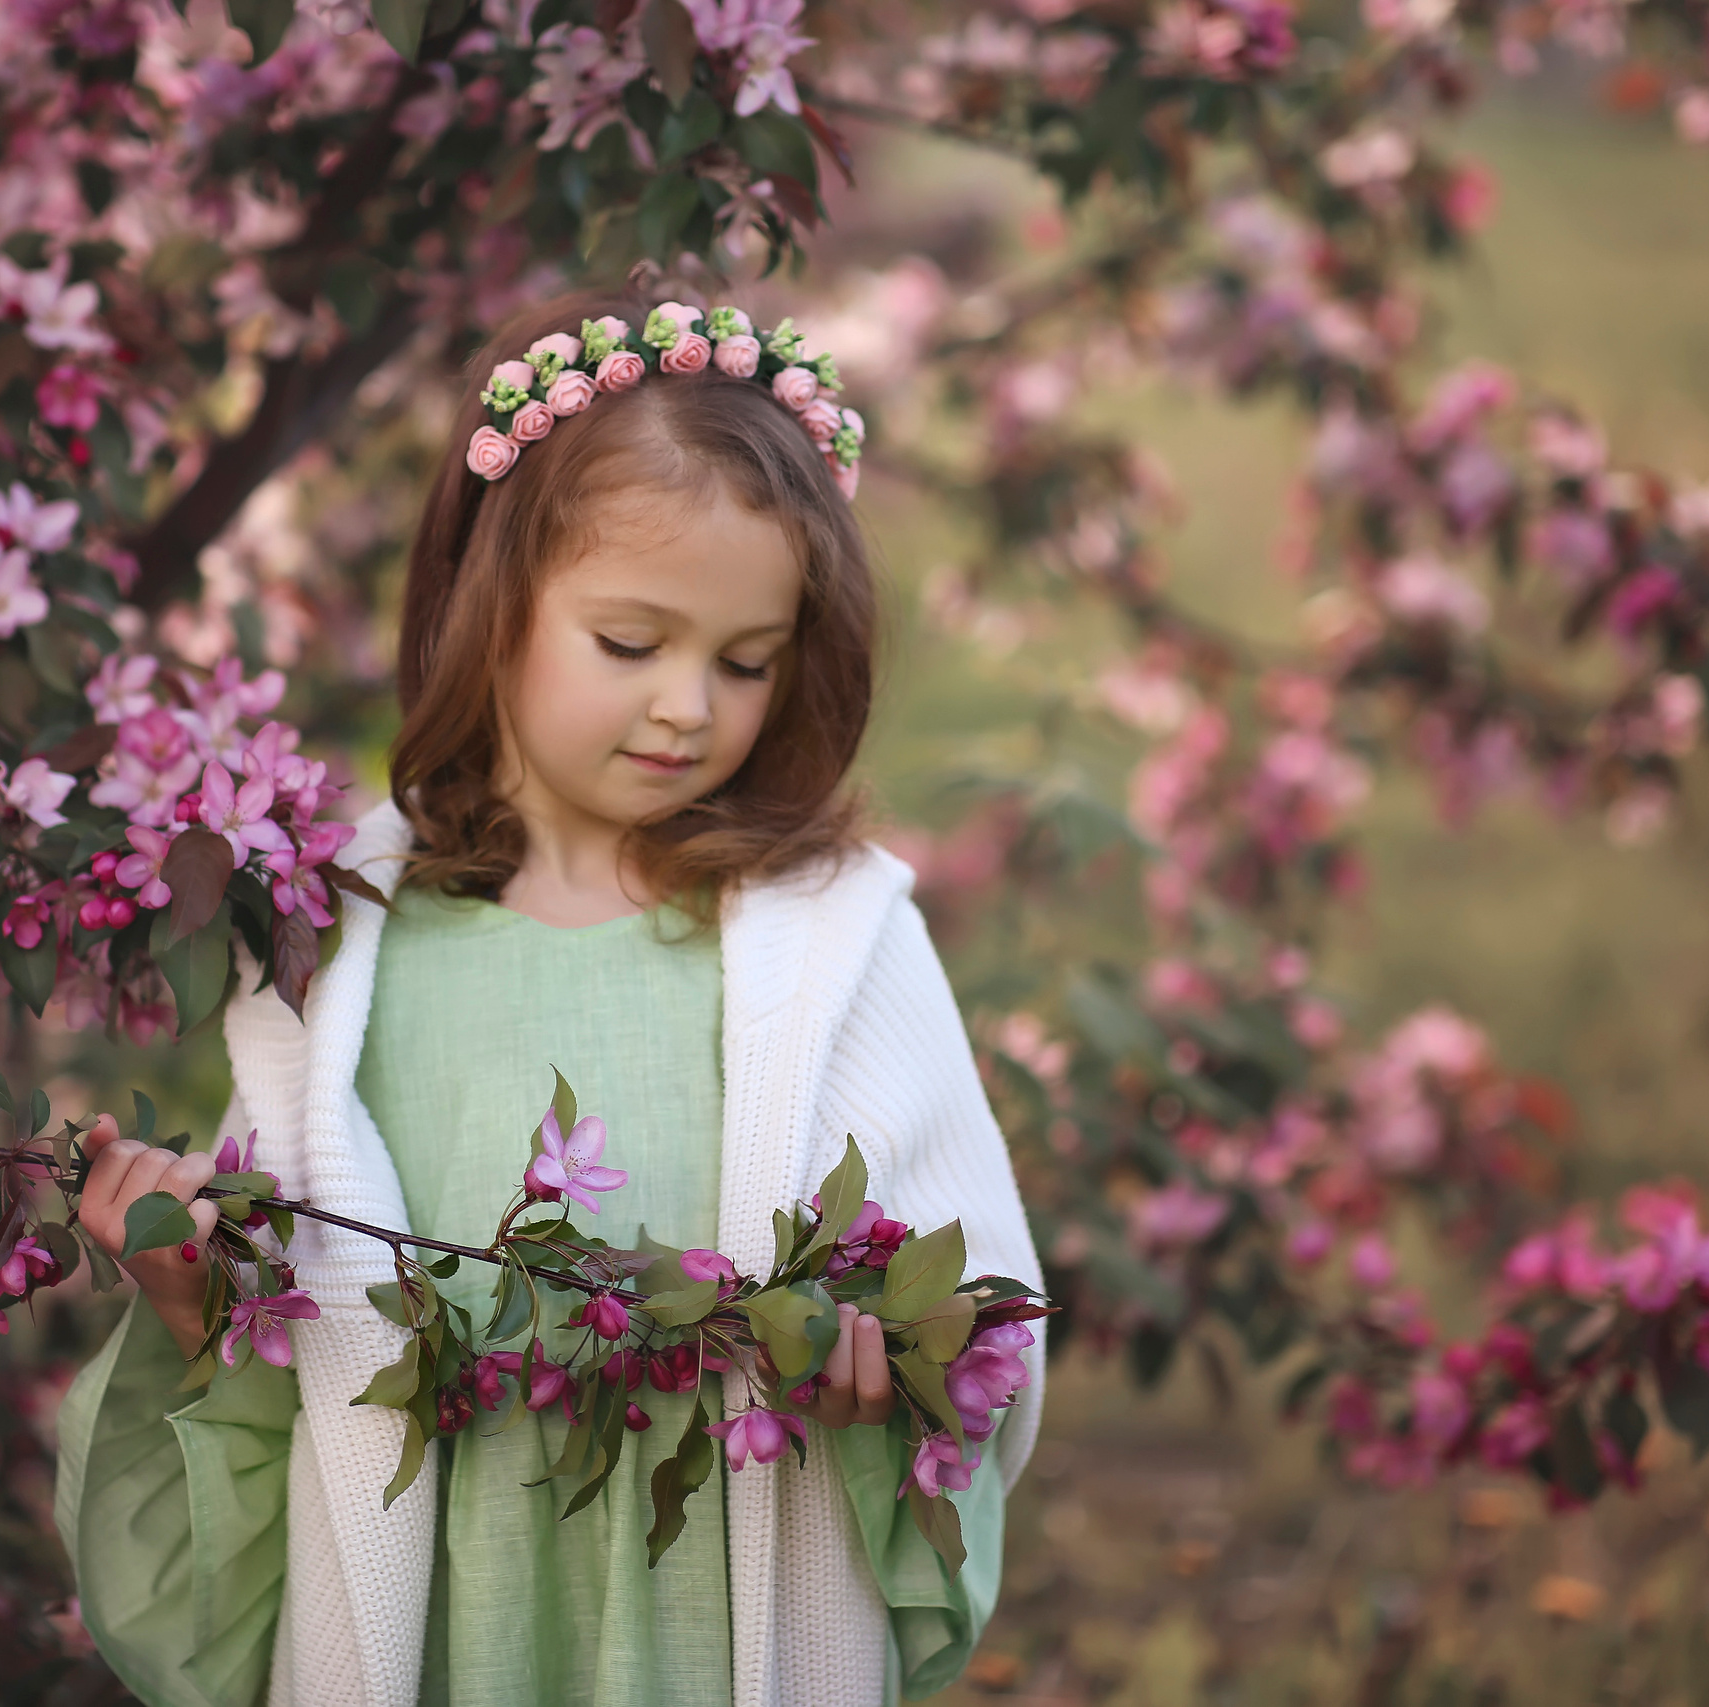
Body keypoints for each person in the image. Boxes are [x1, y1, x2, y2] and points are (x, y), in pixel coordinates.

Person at [52, 288, 1043, 1707]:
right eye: (632, 645)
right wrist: (193, 1289)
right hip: (445, 1627)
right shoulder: (342, 953)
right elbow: (305, 1344)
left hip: (717, 1618)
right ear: (490, 601)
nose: (689, 707)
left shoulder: (833, 943)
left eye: (745, 662)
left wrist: (889, 1365)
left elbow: (983, 1318)